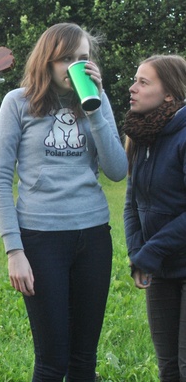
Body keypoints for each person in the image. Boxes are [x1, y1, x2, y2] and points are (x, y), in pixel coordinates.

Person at [0, 23, 127, 381]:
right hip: (41, 240)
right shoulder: (17, 103)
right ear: (47, 61)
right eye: (66, 59)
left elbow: (116, 170)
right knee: (52, 360)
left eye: (82, 59)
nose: (74, 66)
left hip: (93, 237)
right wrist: (13, 250)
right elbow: (0, 179)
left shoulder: (96, 99)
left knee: (84, 359)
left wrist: (94, 106)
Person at [123, 55, 186, 381]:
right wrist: (138, 252)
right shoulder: (141, 135)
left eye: (143, 82)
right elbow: (132, 203)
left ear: (170, 95)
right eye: (136, 80)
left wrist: (150, 252)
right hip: (160, 269)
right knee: (168, 369)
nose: (132, 88)